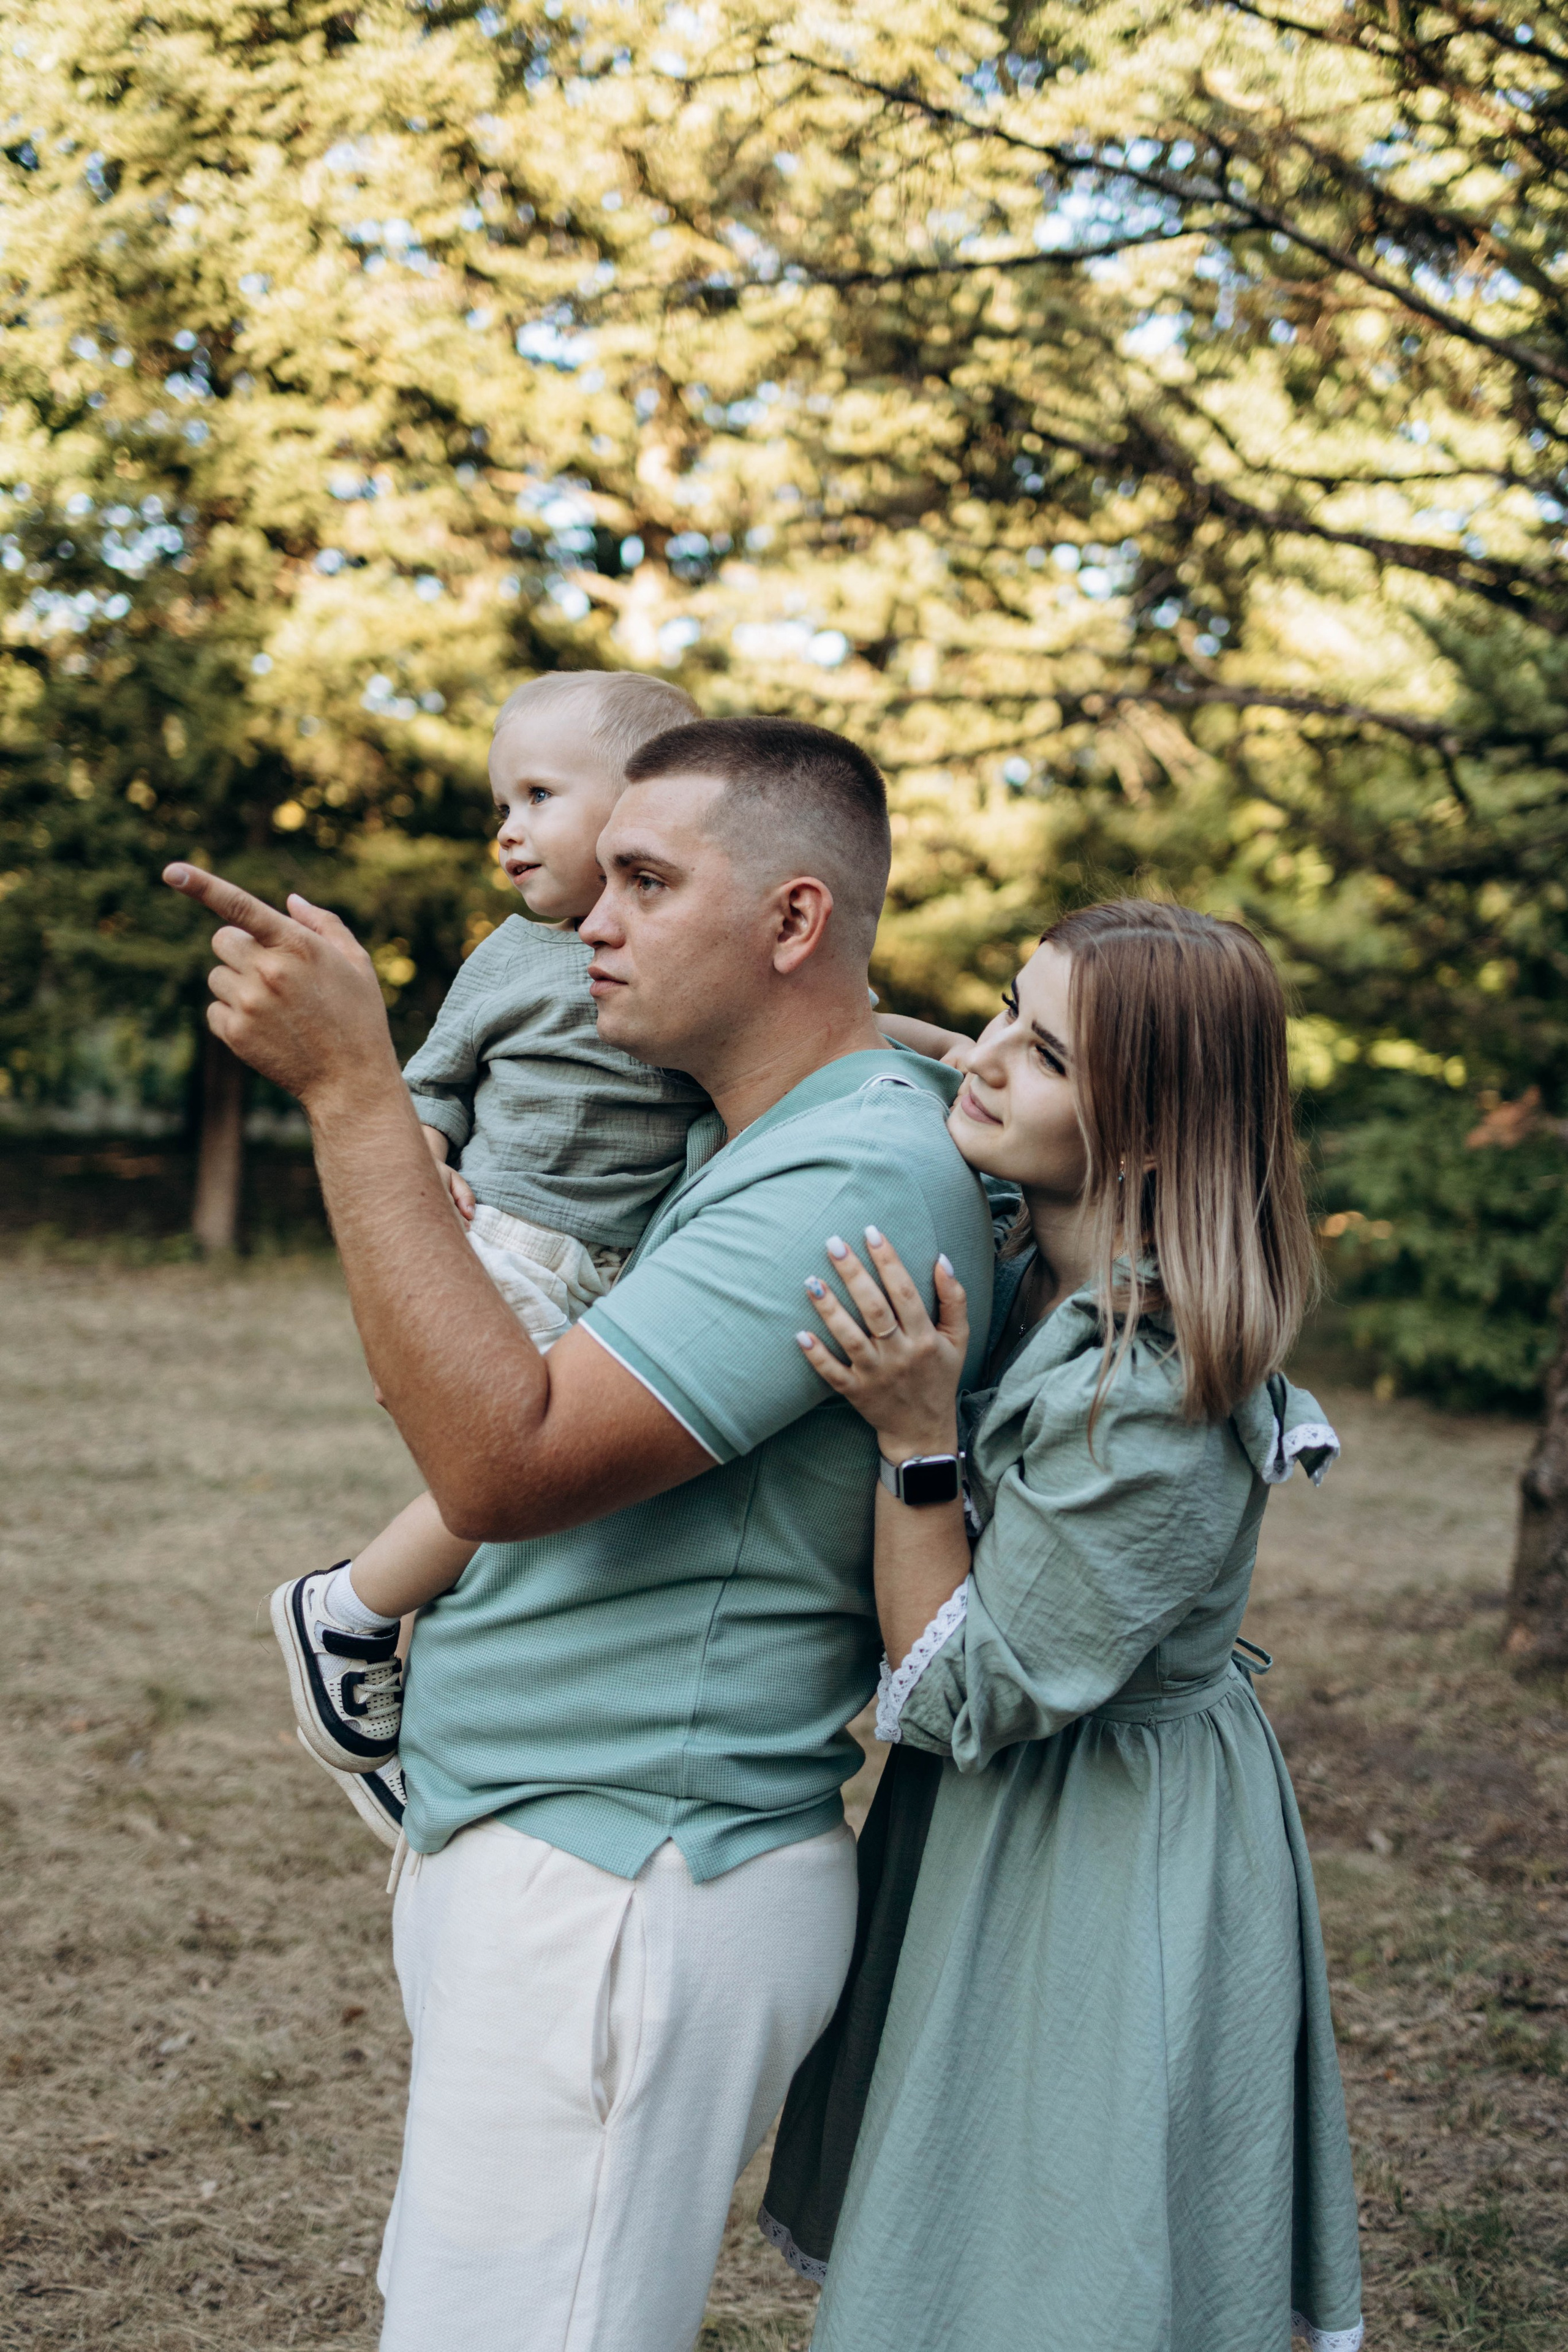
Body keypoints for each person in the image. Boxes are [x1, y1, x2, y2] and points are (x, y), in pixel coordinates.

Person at [161, 713, 998, 2352]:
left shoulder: (848, 1180)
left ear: (794, 922)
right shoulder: (758, 1135)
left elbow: (498, 1464)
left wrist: (353, 1094)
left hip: (630, 1883)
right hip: (562, 1848)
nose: (590, 920)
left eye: (646, 878)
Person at [759, 900, 1365, 2352]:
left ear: (1149, 1130)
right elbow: (923, 1069)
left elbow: (962, 1692)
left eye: (1045, 1053)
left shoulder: (1154, 1393)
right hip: (1001, 1823)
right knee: (969, 2206)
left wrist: (916, 1437)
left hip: (1103, 1847)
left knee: (1059, 2246)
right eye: (1001, 1011)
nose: (985, 1057)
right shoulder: (1030, 1247)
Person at [270, 668, 708, 1836]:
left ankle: (451, 1691)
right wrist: (423, 1164)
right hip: (507, 1243)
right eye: (499, 805)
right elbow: (427, 1084)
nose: (507, 831)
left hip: (623, 1270)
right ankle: (351, 1611)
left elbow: (835, 1029)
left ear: (643, 807)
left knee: (579, 1500)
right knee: (513, 1471)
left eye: (537, 795)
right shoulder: (511, 959)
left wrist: (939, 1053)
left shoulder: (691, 945)